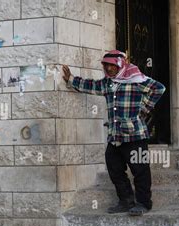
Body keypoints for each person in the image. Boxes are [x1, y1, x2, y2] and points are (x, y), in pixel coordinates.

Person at [62, 50, 166, 216]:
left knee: (140, 170)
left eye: (112, 65)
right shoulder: (108, 83)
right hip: (115, 135)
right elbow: (92, 86)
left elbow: (159, 89)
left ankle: (144, 203)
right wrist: (72, 80)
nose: (109, 68)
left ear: (120, 65)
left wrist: (143, 108)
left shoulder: (137, 80)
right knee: (114, 168)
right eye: (106, 65)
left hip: (135, 136)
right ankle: (126, 201)